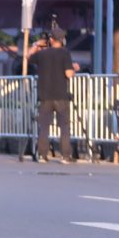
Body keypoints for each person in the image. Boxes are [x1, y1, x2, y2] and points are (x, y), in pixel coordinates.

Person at [27, 27, 78, 162]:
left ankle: (42, 155)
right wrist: (74, 69)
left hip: (44, 95)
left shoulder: (42, 54)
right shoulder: (64, 53)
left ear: (50, 39)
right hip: (61, 95)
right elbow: (69, 73)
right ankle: (65, 156)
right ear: (62, 40)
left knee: (44, 126)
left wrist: (36, 45)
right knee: (64, 126)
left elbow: (28, 56)